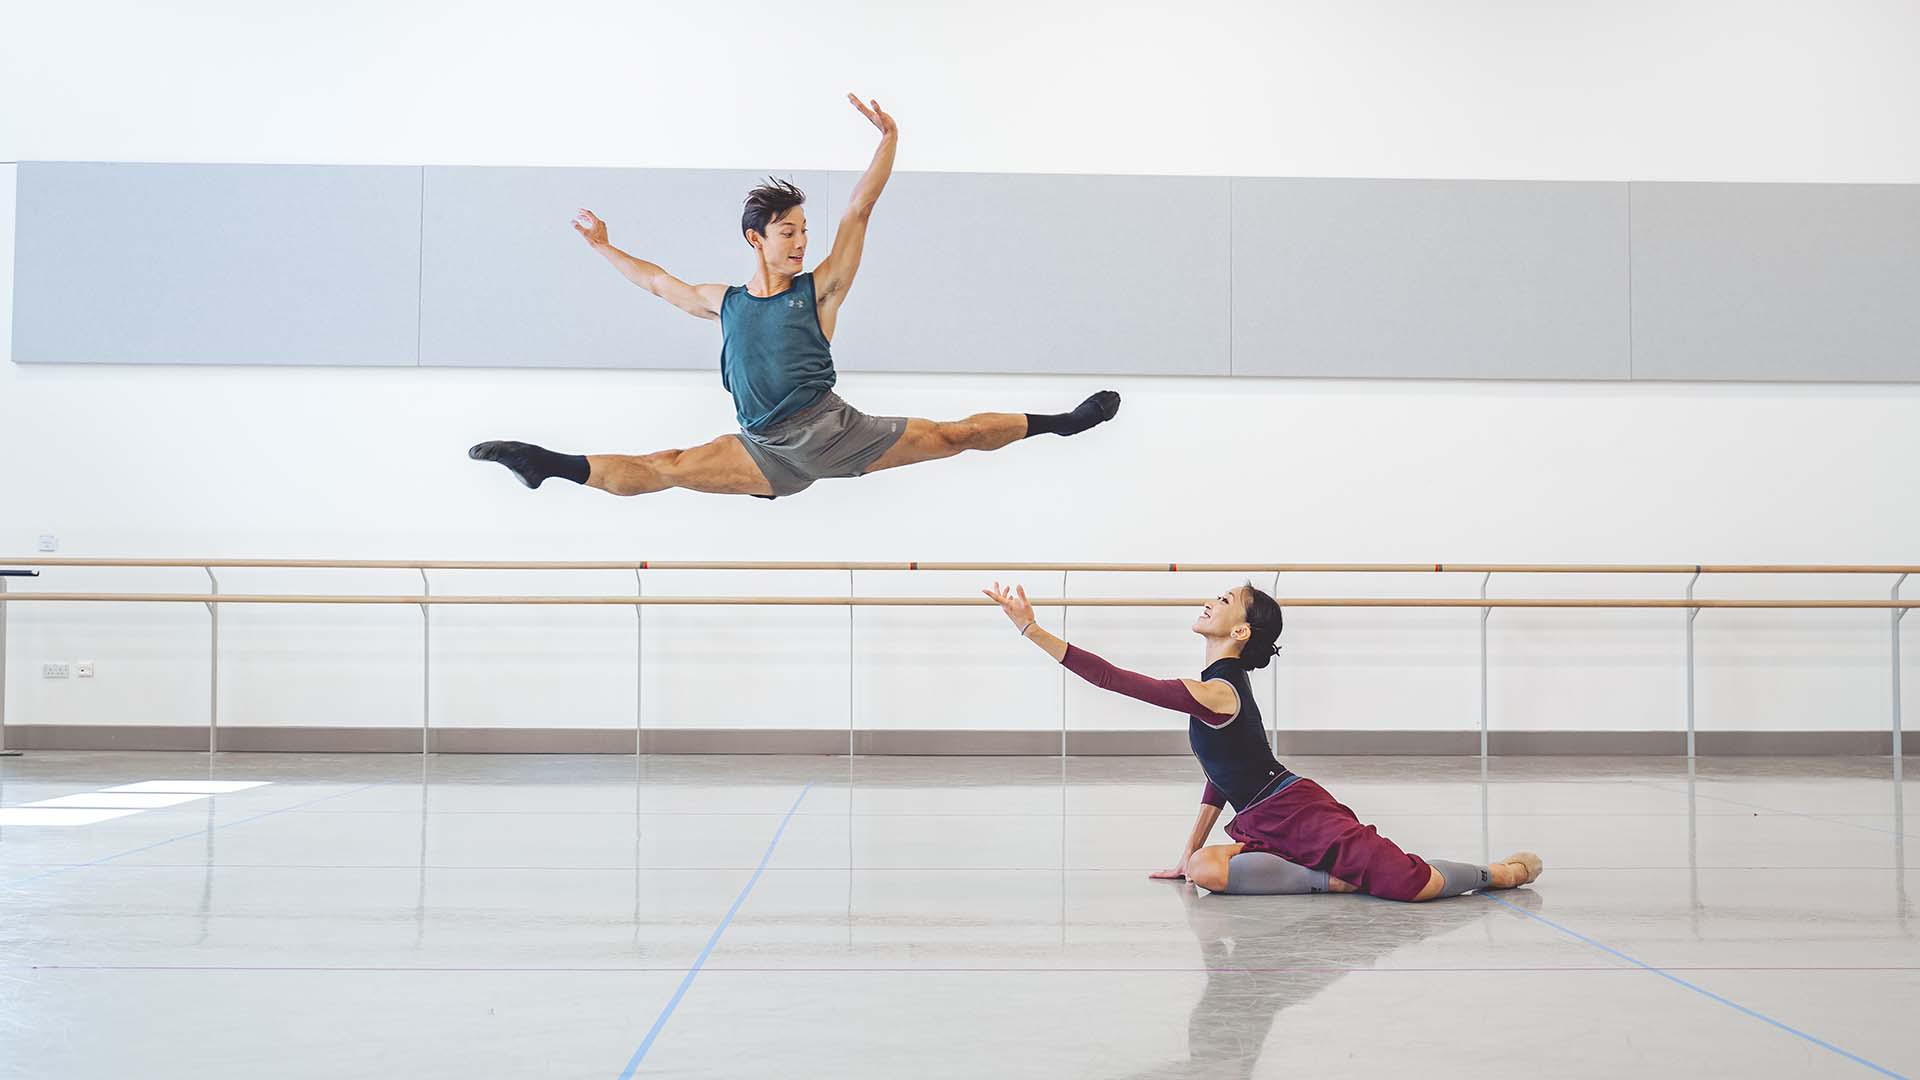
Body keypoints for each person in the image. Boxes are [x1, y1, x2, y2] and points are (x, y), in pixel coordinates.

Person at [471, 93, 1121, 500]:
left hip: (838, 432)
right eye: (787, 233)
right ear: (755, 238)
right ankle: (547, 464)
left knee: (958, 434)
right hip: (766, 449)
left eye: (803, 231)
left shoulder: (820, 291)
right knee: (664, 466)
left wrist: (889, 140)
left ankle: (1065, 423)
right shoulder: (722, 302)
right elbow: (654, 281)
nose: (800, 243)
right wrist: (603, 246)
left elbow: (859, 214)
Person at [982, 580, 1544, 901]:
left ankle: (1500, 873)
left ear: (1240, 631)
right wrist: (1184, 854)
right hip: (1263, 816)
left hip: (1299, 812)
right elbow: (1220, 776)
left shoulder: (1218, 692)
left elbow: (1113, 679)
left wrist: (1030, 628)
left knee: (1411, 884)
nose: (1212, 601)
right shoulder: (1217, 688)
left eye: (1224, 601)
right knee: (1205, 870)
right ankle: (1333, 880)